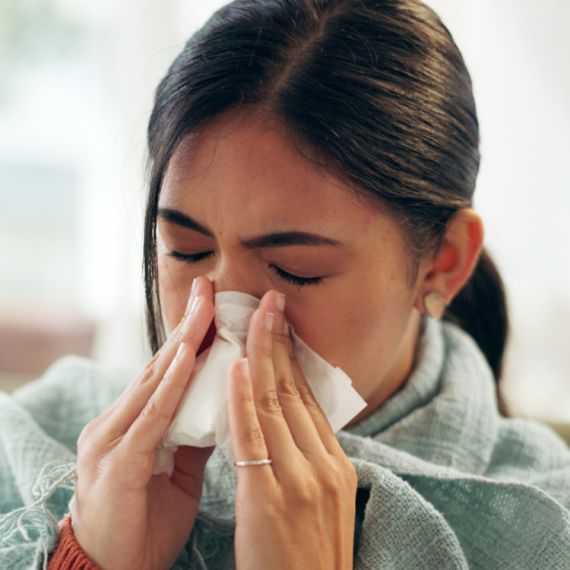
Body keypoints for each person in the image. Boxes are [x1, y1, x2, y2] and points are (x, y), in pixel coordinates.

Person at [1, 0, 569, 568]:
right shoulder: (40, 442)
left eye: (297, 267)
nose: (224, 319)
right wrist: (84, 556)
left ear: (443, 262)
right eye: (186, 250)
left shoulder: (543, 528)